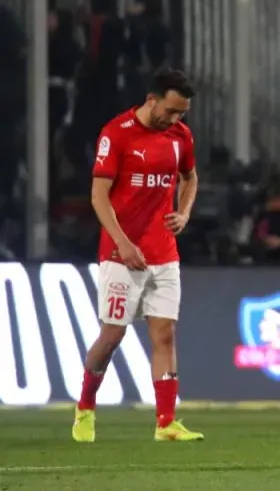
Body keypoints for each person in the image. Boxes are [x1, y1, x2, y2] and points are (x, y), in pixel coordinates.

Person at [72, 69, 204, 443]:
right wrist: (123, 242)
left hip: (163, 252)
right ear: (152, 99)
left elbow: (190, 177)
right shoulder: (117, 133)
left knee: (165, 334)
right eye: (171, 110)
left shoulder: (179, 136)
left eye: (182, 113)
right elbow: (99, 196)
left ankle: (166, 423)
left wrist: (185, 211)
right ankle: (85, 408)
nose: (175, 119)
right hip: (120, 253)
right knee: (112, 335)